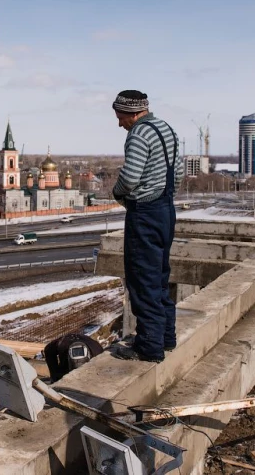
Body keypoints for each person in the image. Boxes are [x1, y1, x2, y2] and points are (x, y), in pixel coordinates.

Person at [110, 90, 184, 363]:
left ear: (131, 113)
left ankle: (148, 348)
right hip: (166, 210)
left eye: (120, 117)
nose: (119, 124)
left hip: (145, 212)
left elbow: (129, 178)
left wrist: (118, 194)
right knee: (160, 275)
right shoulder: (166, 129)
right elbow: (179, 173)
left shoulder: (139, 134)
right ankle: (166, 337)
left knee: (143, 279)